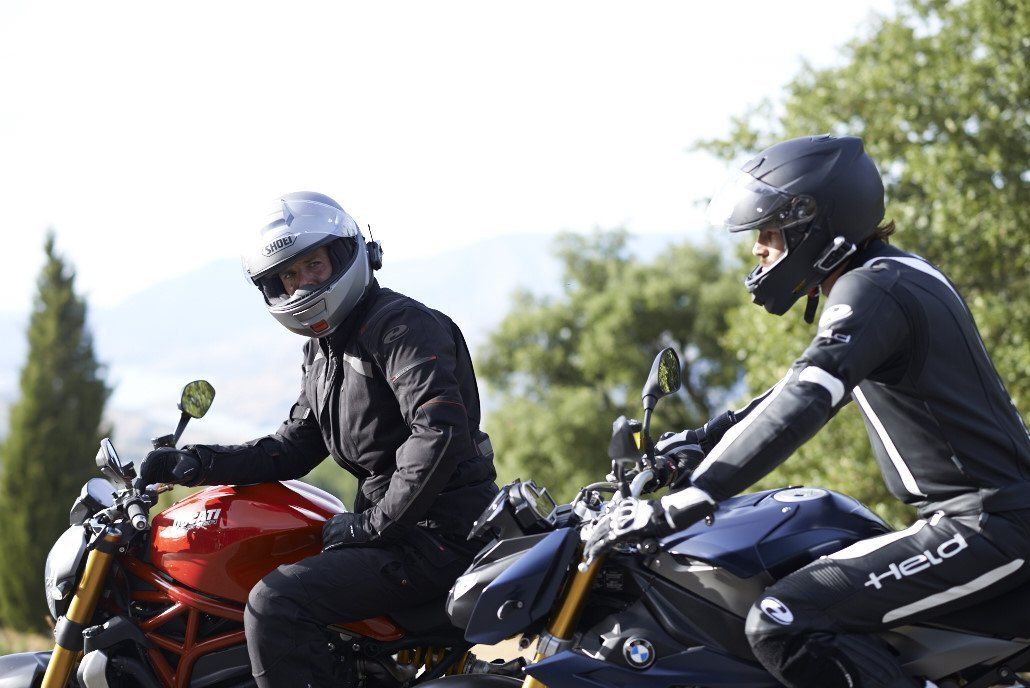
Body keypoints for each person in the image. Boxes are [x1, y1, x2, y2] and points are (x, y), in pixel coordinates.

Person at [595, 135, 1030, 688]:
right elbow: (795, 388)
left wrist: (690, 498)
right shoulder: (888, 275)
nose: (759, 249)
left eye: (770, 232)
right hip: (982, 517)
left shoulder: (872, 288)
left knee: (784, 619)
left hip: (985, 524)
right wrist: (703, 440)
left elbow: (808, 397)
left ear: (817, 225)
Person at [138, 191, 498, 687]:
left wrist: (373, 525)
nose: (303, 282)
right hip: (399, 533)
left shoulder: (401, 327)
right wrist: (195, 464)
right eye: (289, 275)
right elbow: (295, 445)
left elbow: (438, 430)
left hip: (441, 536)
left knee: (275, 603)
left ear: (344, 256)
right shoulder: (324, 350)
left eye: (313, 264)